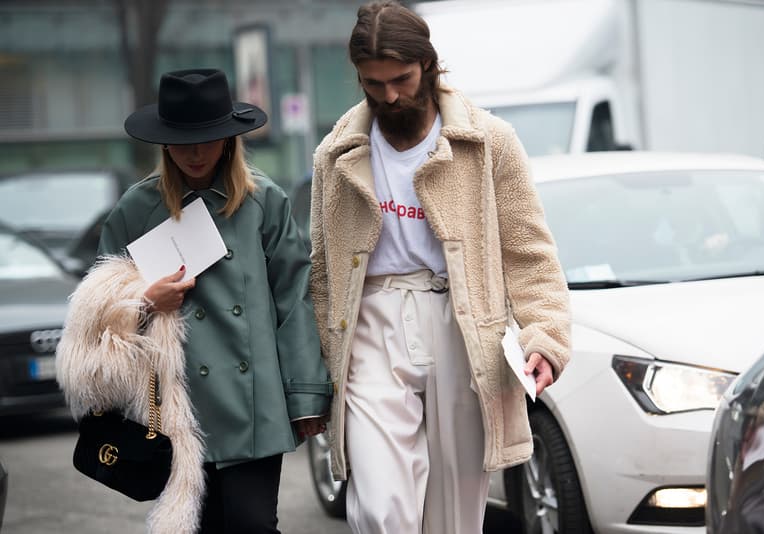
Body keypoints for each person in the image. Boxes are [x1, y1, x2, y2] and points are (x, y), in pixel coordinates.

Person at [309, 2, 571, 533]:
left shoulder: (488, 141)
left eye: (401, 79)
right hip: (370, 325)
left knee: (455, 511)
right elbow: (322, 269)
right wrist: (319, 366)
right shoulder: (335, 155)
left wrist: (544, 333)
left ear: (428, 64)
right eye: (373, 83)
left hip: (464, 323)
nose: (389, 95)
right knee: (380, 506)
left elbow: (528, 249)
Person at [55, 68, 331, 534]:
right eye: (183, 141)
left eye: (208, 138)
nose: (196, 152)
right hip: (174, 407)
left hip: (253, 406)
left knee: (252, 525)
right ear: (164, 143)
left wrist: (306, 394)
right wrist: (144, 301)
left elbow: (294, 297)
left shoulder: (266, 201)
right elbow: (94, 310)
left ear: (229, 139)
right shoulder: (136, 209)